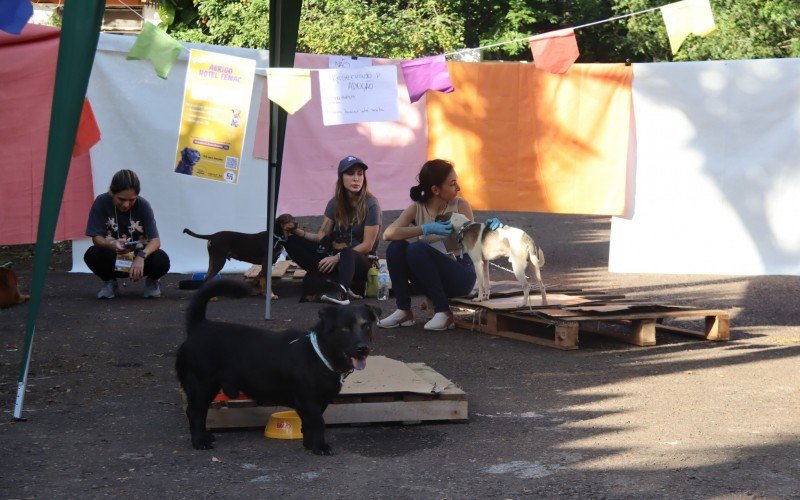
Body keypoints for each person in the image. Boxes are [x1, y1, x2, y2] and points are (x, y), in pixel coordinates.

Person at [377, 159, 482, 331]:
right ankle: (403, 310)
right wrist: (424, 229)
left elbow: (475, 245)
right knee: (397, 247)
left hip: (460, 273)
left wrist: (463, 230)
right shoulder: (417, 208)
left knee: (416, 249)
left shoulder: (460, 205)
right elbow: (388, 233)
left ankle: (444, 313)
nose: (458, 188)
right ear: (435, 190)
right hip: (428, 277)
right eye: (452, 183)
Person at [283, 156, 381, 306]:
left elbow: (367, 246)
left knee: (347, 252)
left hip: (362, 262)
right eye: (350, 174)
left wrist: (337, 258)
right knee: (290, 241)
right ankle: (324, 274)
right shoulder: (334, 203)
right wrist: (297, 232)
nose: (356, 179)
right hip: (335, 255)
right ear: (341, 177)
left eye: (360, 174)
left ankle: (341, 292)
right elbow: (321, 236)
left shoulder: (371, 204)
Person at [84, 169, 170, 299]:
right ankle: (110, 282)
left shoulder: (143, 205)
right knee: (92, 255)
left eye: (132, 200)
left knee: (161, 259)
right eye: (122, 199)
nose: (126, 204)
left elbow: (155, 241)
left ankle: (152, 282)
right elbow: (96, 238)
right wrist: (112, 245)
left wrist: (141, 257)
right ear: (112, 192)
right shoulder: (101, 202)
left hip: (139, 258)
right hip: (114, 255)